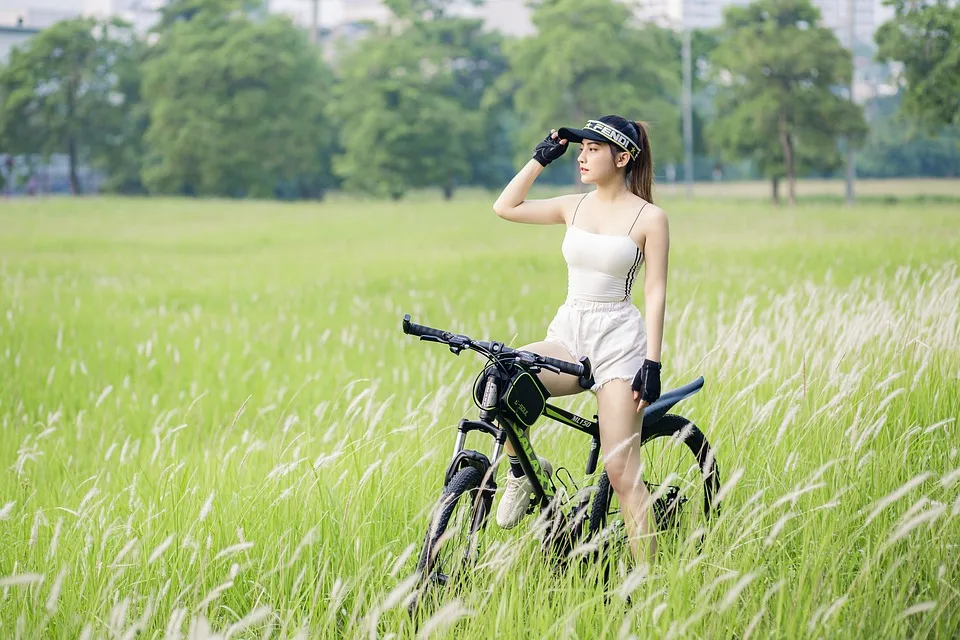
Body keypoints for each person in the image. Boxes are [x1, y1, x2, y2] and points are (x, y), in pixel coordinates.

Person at [491, 115, 669, 561]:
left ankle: (649, 584)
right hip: (570, 332)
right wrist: (540, 158)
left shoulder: (650, 217)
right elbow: (505, 207)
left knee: (621, 471)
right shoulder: (574, 205)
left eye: (593, 149)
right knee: (504, 378)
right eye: (581, 148)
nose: (583, 156)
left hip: (619, 345)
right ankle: (523, 472)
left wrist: (652, 362)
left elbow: (655, 290)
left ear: (623, 157)